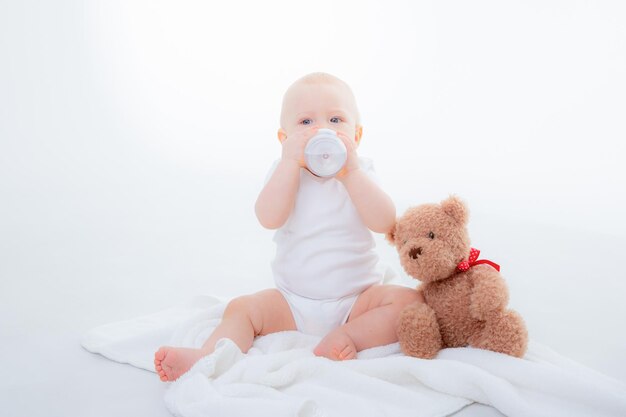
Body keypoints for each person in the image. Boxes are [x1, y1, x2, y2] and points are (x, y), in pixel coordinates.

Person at [154, 72, 422, 382]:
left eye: (336, 120)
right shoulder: (285, 173)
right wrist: (288, 165)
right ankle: (207, 356)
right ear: (284, 140)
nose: (321, 130)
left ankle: (349, 336)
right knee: (242, 308)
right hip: (292, 303)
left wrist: (351, 174)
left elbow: (385, 222)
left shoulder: (361, 172)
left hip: (357, 300)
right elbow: (269, 218)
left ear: (357, 136)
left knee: (409, 302)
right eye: (305, 123)